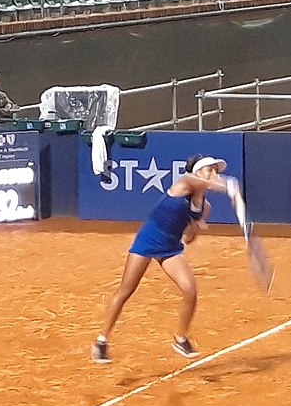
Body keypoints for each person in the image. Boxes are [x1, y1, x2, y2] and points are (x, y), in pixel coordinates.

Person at [91, 155, 239, 364]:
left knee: (190, 290)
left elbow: (188, 238)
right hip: (148, 240)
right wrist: (231, 187)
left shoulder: (204, 207)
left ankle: (181, 339)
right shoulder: (185, 182)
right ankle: (101, 341)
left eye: (216, 171)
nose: (214, 175)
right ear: (196, 172)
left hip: (170, 247)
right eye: (209, 170)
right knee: (126, 291)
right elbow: (211, 184)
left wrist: (196, 227)